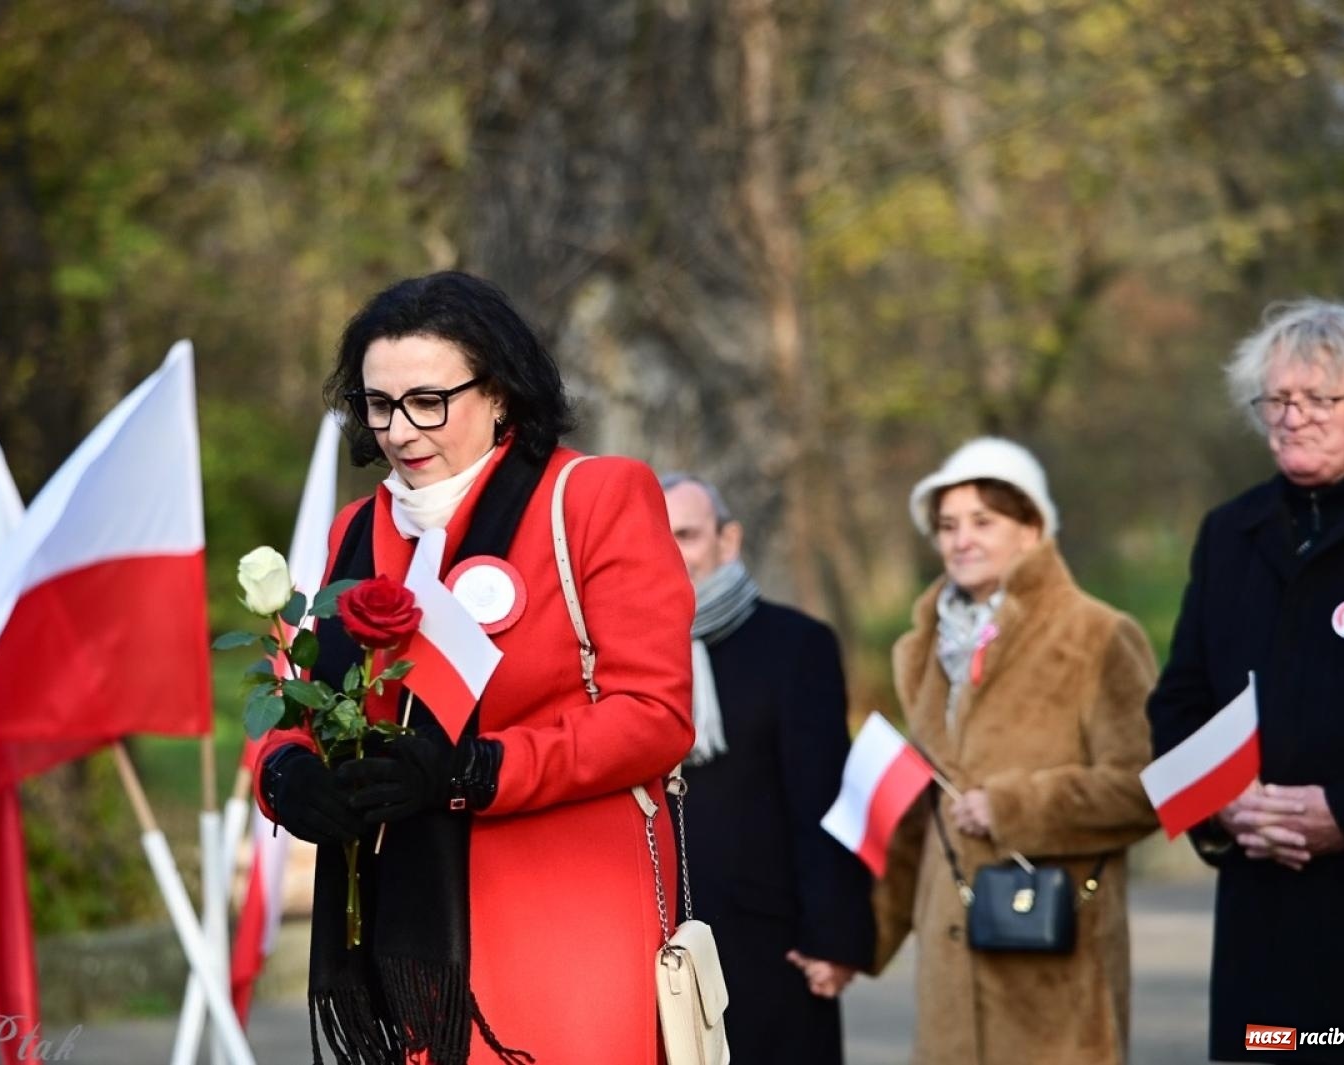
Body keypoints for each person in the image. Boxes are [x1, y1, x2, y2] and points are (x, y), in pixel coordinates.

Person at [251, 271, 696, 1065]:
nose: (399, 430)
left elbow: (655, 716)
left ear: (499, 392)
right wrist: (285, 777)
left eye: (428, 400)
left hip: (565, 919)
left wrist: (481, 769)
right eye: (378, 404)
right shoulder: (356, 527)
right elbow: (297, 703)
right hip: (406, 934)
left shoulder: (593, 496)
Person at [1147, 299, 1344, 1063]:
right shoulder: (1231, 532)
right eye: (1276, 399)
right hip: (1262, 920)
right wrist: (1220, 804)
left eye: (1319, 398)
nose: (1293, 416)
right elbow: (1180, 701)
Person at [873, 437, 1158, 1065]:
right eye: (947, 526)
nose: (960, 539)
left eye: (983, 521)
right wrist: (855, 942)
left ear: (1032, 529)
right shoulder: (924, 651)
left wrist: (1013, 807)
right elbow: (919, 820)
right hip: (949, 980)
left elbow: (1148, 788)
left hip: (1057, 970)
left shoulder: (1099, 634)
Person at [659, 473, 875, 1065]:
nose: (672, 552)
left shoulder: (794, 644)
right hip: (652, 937)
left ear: (728, 541)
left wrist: (833, 936)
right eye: (658, 536)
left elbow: (824, 798)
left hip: (768, 939)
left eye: (687, 534)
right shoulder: (615, 651)